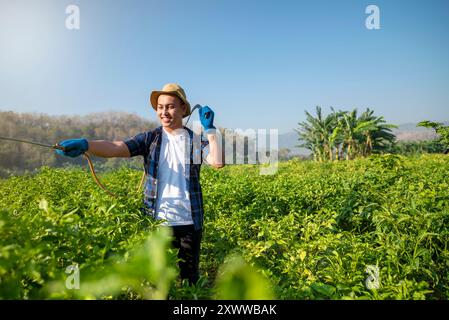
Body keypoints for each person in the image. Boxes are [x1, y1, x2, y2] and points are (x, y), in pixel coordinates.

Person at [56, 83, 224, 285]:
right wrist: (87, 145)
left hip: (189, 224)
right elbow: (116, 147)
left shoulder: (195, 141)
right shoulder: (150, 139)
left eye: (170, 106)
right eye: (160, 107)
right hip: (156, 223)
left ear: (182, 109)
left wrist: (210, 131)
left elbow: (217, 162)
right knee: (156, 281)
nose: (164, 112)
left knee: (189, 281)